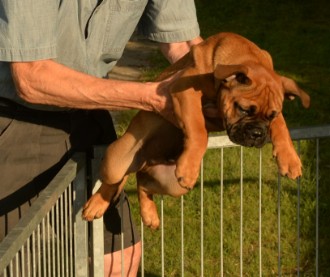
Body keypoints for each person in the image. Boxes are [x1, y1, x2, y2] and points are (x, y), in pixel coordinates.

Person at [0, 0, 203, 276]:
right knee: (24, 263)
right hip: (16, 121)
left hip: (89, 115)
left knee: (118, 263)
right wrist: (149, 97)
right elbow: (31, 77)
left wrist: (230, 90)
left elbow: (187, 47)